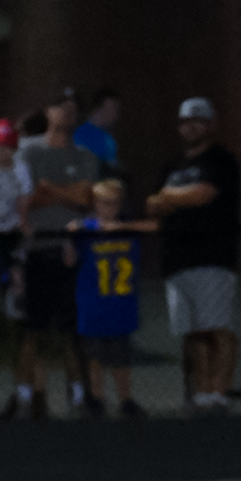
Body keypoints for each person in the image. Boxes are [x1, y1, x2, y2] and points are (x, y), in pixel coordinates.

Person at [145, 97, 241, 412]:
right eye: (186, 122)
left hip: (212, 255)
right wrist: (173, 198)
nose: (192, 127)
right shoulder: (172, 165)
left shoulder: (221, 160)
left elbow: (203, 194)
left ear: (211, 124)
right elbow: (152, 206)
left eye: (198, 121)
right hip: (177, 258)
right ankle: (201, 391)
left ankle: (219, 390)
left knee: (217, 328)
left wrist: (169, 197)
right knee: (192, 332)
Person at [5, 93, 98, 420]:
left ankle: (79, 394)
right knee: (32, 328)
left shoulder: (84, 155)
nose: (66, 113)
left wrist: (51, 191)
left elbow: (86, 197)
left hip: (72, 251)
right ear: (47, 111)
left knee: (72, 329)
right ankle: (25, 395)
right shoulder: (29, 152)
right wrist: (65, 193)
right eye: (60, 107)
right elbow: (26, 198)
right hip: (36, 251)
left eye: (72, 109)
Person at [68, 179, 155, 418]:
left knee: (121, 356)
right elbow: (70, 259)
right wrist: (71, 236)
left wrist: (120, 227)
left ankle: (125, 398)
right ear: (95, 204)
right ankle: (97, 397)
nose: (109, 208)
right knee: (95, 356)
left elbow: (153, 226)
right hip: (94, 303)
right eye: (104, 203)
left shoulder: (127, 229)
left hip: (121, 303)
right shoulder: (87, 229)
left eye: (114, 203)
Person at [0, 119, 31, 326]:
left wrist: (24, 222)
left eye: (7, 147)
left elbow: (23, 198)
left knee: (16, 267)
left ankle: (16, 304)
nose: (2, 152)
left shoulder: (20, 168)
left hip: (11, 226)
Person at [73, 87, 121, 172]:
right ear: (98, 109)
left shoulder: (109, 138)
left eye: (116, 110)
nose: (115, 114)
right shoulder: (78, 134)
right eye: (112, 109)